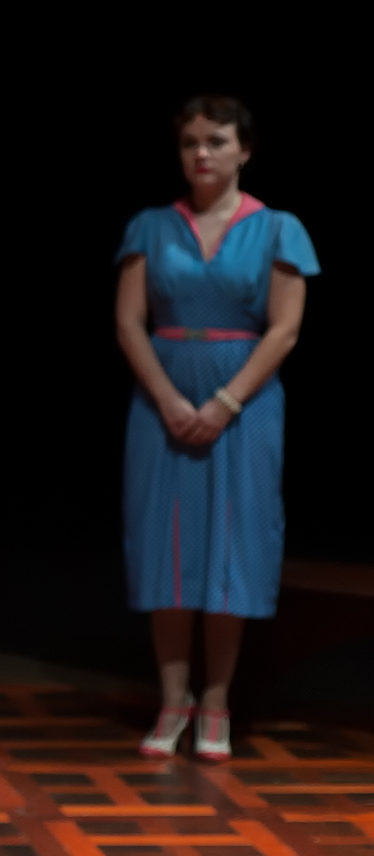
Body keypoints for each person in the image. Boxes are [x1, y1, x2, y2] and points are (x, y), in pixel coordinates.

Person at [118, 95, 317, 762]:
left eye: (217, 141)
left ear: (245, 150)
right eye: (190, 143)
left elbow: (285, 329)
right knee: (166, 546)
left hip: (245, 401)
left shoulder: (279, 228)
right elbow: (129, 322)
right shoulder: (151, 227)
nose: (201, 153)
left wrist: (225, 402)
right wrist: (169, 398)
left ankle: (216, 701)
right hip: (163, 399)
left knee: (231, 546)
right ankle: (172, 699)